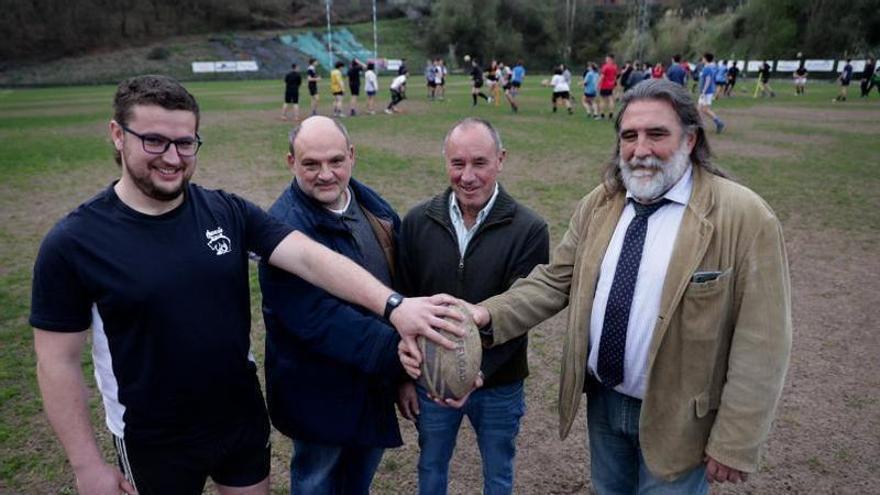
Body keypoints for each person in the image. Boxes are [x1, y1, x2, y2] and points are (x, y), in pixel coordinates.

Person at [30, 75, 464, 495]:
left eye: (185, 142)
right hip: (153, 435)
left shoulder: (226, 212)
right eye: (154, 140)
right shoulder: (73, 242)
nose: (172, 156)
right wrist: (86, 464)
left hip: (238, 419)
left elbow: (312, 259)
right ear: (117, 135)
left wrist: (394, 306)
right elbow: (57, 362)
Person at [404, 79, 792, 495]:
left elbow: (764, 340)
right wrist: (485, 314)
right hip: (604, 405)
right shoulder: (601, 203)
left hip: (679, 417)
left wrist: (735, 440)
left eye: (657, 134)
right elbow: (555, 281)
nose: (640, 149)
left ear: (691, 138)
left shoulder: (745, 217)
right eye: (629, 136)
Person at [396, 117, 550, 495]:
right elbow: (403, 301)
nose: (467, 176)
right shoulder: (417, 222)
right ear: (445, 162)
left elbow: (522, 312)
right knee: (431, 465)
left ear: (500, 159)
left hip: (499, 382)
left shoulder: (529, 228)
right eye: (457, 163)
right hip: (431, 382)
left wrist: (476, 374)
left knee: (498, 473)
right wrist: (404, 375)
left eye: (479, 163)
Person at [259, 116, 407, 494]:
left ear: (352, 156)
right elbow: (318, 319)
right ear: (291, 162)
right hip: (318, 394)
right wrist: (404, 355)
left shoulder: (374, 207)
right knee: (318, 482)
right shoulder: (282, 231)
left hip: (372, 382)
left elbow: (401, 285)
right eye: (311, 164)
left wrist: (400, 374)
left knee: (358, 482)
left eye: (336, 161)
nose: (326, 174)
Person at [698, 53, 726, 133]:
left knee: (702, 109)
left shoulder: (707, 68)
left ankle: (701, 127)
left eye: (703, 58)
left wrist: (703, 91)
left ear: (706, 59)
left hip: (706, 92)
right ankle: (718, 123)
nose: (702, 59)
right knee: (703, 109)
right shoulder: (708, 67)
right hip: (707, 92)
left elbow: (708, 80)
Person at [598, 54, 619, 120]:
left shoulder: (605, 66)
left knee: (602, 100)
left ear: (610, 59)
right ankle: (611, 114)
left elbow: (602, 76)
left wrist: (598, 84)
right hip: (611, 86)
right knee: (611, 100)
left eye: (606, 59)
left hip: (604, 86)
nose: (605, 60)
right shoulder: (615, 67)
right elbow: (616, 77)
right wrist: (615, 84)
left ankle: (602, 115)